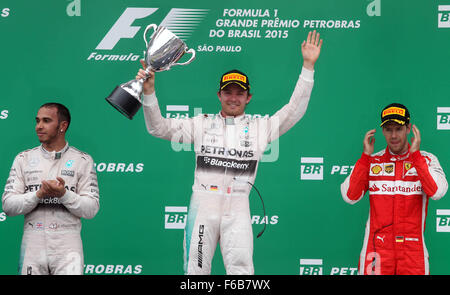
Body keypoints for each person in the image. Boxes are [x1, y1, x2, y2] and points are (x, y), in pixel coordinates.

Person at [137, 30, 323, 275]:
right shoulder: (200, 124)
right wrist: (149, 93)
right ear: (219, 95)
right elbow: (157, 127)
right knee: (196, 272)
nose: (233, 97)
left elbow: (293, 110)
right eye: (228, 92)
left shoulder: (260, 128)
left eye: (239, 93)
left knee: (242, 272)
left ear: (248, 97)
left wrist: (308, 67)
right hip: (203, 206)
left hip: (238, 207)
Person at [341, 103, 448, 275]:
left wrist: (416, 158)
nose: (393, 135)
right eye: (388, 129)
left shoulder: (426, 160)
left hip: (413, 254)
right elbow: (349, 196)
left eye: (398, 129)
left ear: (408, 128)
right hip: (376, 253)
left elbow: (437, 192)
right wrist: (365, 158)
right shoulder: (372, 161)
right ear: (382, 131)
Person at [2, 103, 100, 275]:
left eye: (46, 121)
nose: (39, 126)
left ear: (63, 126)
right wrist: (38, 194)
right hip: (32, 242)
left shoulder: (82, 160)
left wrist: (64, 194)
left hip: (68, 244)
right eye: (37, 121)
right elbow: (8, 206)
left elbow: (91, 209)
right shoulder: (23, 159)